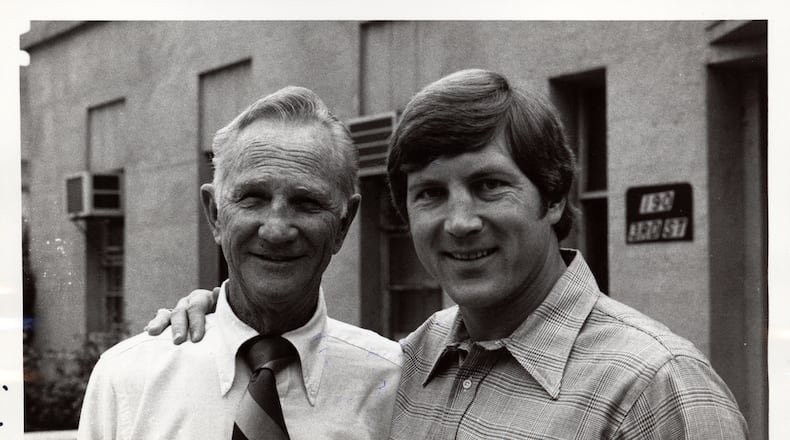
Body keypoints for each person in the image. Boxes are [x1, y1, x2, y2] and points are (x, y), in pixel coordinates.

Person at [147, 69, 748, 439]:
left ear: (556, 196)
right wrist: (228, 315)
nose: (460, 222)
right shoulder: (414, 362)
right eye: (431, 194)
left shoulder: (657, 390)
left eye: (490, 185)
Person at [78, 86, 402, 440]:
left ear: (343, 224)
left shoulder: (391, 383)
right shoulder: (126, 379)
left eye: (307, 202)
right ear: (215, 214)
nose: (276, 230)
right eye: (252, 198)